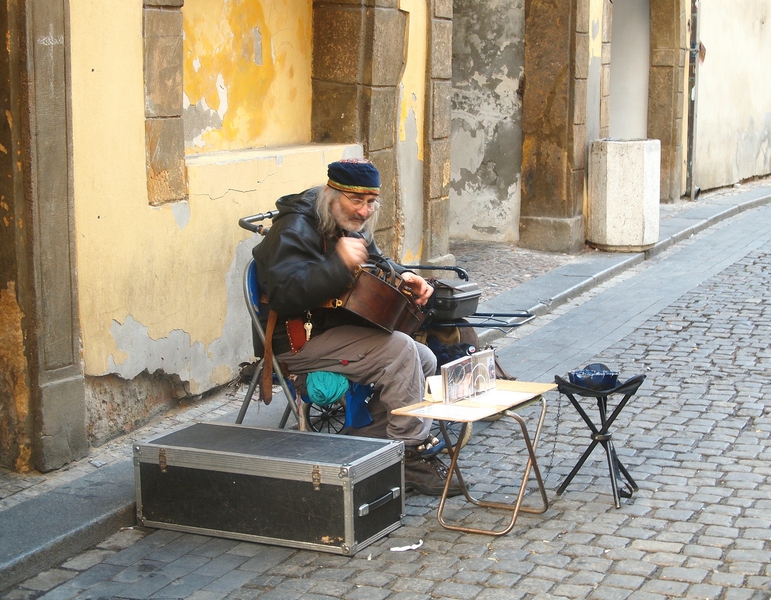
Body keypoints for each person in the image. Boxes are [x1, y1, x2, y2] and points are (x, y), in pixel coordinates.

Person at [252, 158, 462, 496]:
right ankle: (409, 452)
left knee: (423, 357)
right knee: (400, 352)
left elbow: (376, 261)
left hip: (336, 330)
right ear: (331, 193)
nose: (364, 212)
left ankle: (369, 446)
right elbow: (283, 295)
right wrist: (338, 265)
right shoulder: (294, 227)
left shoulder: (344, 220)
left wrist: (405, 276)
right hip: (296, 339)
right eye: (356, 201)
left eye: (370, 203)